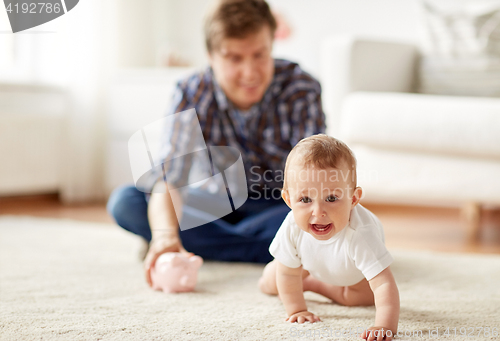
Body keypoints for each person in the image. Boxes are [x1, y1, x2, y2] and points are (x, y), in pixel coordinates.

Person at [107, 0, 326, 287]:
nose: (250, 73)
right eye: (234, 58)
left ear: (272, 46)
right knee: (127, 202)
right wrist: (165, 238)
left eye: (260, 55)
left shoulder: (301, 88)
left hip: (279, 205)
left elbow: (314, 179)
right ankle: (278, 250)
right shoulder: (191, 91)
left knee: (321, 217)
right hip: (214, 204)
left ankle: (212, 245)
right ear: (211, 56)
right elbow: (169, 177)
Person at [258, 134, 399, 341]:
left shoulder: (361, 233)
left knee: (364, 297)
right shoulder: (291, 225)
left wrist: (384, 326)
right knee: (273, 282)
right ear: (288, 200)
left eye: (331, 198)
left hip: (353, 271)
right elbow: (288, 274)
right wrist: (297, 310)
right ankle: (303, 278)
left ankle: (313, 284)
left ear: (353, 199)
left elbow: (383, 284)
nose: (318, 211)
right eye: (305, 199)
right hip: (307, 262)